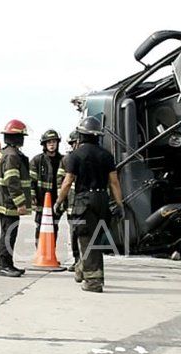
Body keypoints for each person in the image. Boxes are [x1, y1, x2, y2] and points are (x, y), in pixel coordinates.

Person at [55, 116, 124, 293]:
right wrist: (120, 204)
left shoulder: (75, 156)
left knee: (86, 239)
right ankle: (82, 269)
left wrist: (59, 201)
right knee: (96, 239)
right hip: (102, 200)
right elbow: (114, 182)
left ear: (81, 135)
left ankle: (93, 281)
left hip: (84, 201)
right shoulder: (106, 155)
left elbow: (67, 182)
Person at [0, 119, 31, 277]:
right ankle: (5, 265)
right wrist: (20, 203)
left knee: (8, 233)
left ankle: (8, 264)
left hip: (5, 200)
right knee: (9, 234)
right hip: (9, 202)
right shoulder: (11, 156)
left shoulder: (6, 152)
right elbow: (12, 181)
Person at [29, 129, 65, 241]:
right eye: (49, 142)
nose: (52, 144)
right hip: (41, 202)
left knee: (54, 227)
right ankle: (40, 249)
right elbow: (31, 181)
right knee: (40, 227)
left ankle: (51, 249)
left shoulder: (63, 160)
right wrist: (32, 197)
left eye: (54, 142)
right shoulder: (37, 161)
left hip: (56, 202)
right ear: (44, 144)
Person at [64, 131, 81, 272]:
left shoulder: (87, 157)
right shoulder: (67, 159)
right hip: (71, 203)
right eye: (74, 143)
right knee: (74, 234)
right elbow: (61, 181)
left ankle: (85, 262)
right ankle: (77, 260)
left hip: (84, 203)